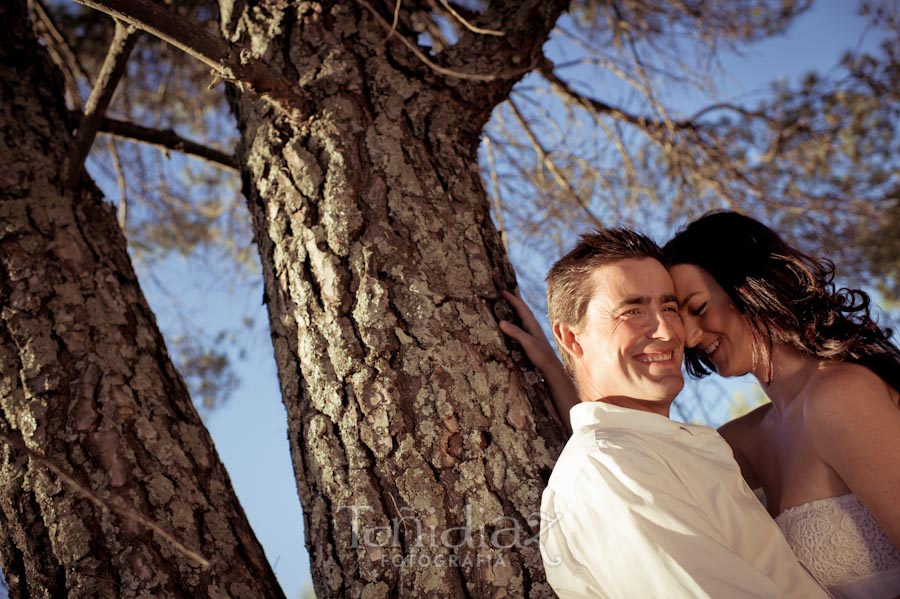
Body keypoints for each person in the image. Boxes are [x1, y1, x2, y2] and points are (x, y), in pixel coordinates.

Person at [529, 227, 828, 598]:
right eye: (632, 310)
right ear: (572, 338)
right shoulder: (609, 469)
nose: (669, 331)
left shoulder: (660, 450)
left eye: (669, 307)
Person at [664, 211, 900, 599]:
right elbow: (638, 464)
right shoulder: (750, 437)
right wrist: (565, 364)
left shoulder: (839, 396)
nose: (688, 338)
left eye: (698, 308)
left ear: (747, 286)